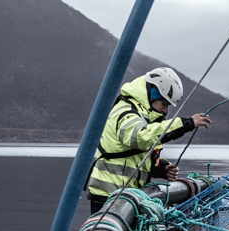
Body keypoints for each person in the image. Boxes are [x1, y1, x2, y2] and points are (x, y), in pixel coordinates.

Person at [86, 67, 212, 212]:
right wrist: (185, 123)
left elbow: (132, 155)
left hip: (126, 196)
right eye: (164, 104)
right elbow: (140, 137)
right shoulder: (125, 111)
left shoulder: (141, 114)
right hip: (108, 196)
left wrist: (160, 168)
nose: (165, 110)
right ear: (152, 94)